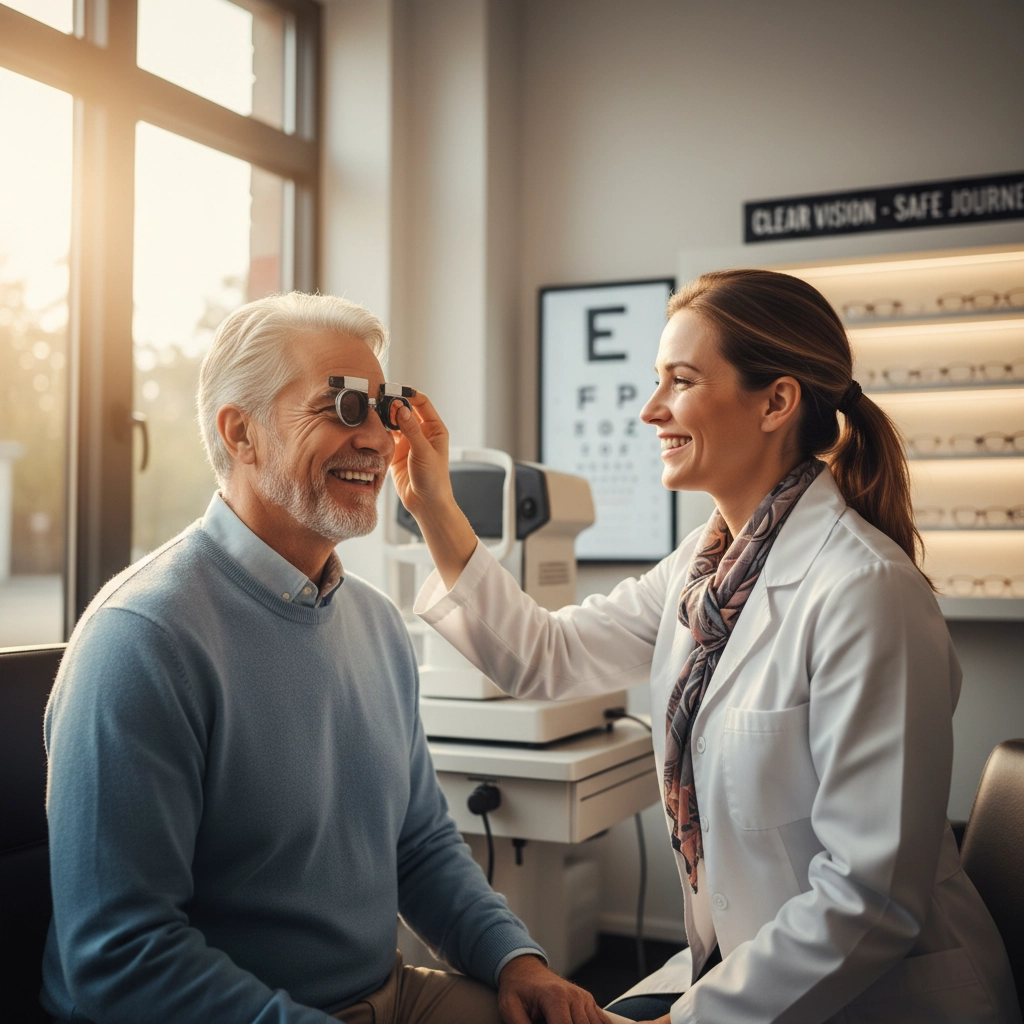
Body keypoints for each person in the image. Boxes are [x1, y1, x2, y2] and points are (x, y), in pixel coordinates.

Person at [390, 270, 1021, 1024]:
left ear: (777, 402)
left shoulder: (866, 591)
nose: (651, 410)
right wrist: (433, 505)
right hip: (743, 973)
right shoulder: (708, 567)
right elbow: (546, 655)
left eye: (680, 381)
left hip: (878, 998)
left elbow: (870, 897)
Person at [41, 292, 611, 1024]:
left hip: (387, 995)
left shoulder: (376, 623)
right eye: (344, 408)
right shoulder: (142, 639)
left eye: (388, 408)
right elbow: (119, 958)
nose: (378, 439)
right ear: (240, 433)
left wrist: (516, 960)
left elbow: (419, 845)